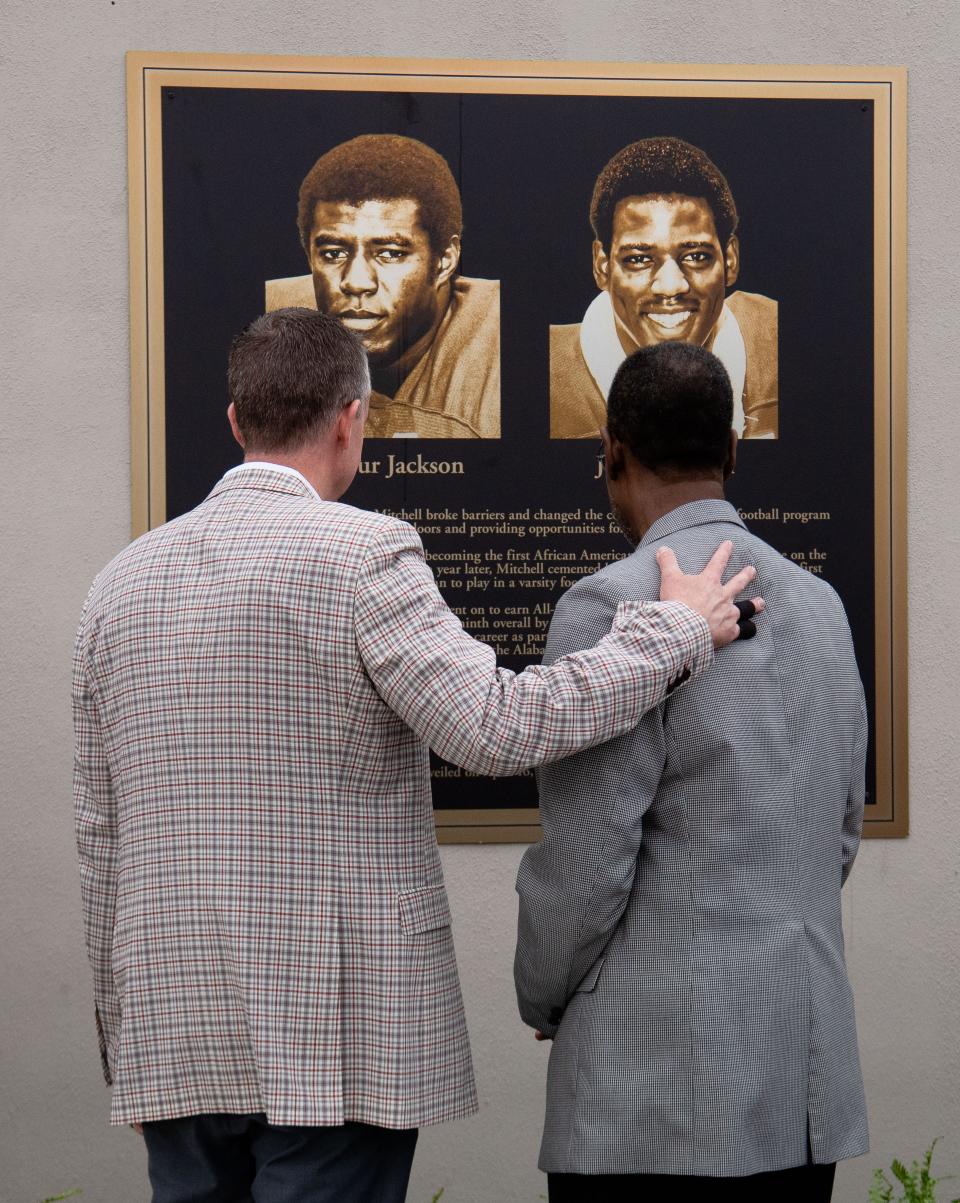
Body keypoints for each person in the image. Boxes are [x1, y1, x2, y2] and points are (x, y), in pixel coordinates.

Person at [73, 308, 762, 1203]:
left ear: (237, 422)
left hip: (173, 1027)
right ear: (352, 417)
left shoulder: (117, 584)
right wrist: (673, 632)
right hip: (333, 1033)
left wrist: (123, 1038)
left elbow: (100, 836)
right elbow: (497, 726)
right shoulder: (365, 552)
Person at [516, 341, 867, 1201]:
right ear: (734, 452)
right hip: (799, 1070)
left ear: (613, 453)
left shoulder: (608, 604)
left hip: (655, 1085)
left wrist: (541, 990)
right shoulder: (823, 607)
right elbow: (842, 831)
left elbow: (585, 863)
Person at [266, 133, 500, 439]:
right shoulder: (271, 325)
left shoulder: (501, 352)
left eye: (390, 254)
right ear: (309, 256)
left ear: (444, 261)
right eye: (333, 253)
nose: (356, 282)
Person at [550, 136, 778, 441]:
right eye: (639, 259)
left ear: (731, 260)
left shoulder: (774, 338)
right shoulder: (546, 375)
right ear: (602, 266)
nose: (671, 286)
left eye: (696, 257)